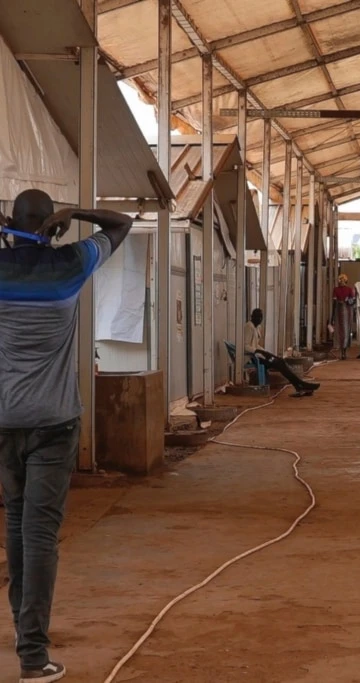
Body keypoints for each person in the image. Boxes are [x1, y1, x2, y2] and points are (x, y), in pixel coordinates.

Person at [0, 190, 133, 682]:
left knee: (15, 525)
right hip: (54, 422)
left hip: (4, 420)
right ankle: (32, 656)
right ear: (52, 226)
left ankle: (23, 633)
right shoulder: (70, 264)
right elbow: (121, 224)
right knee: (39, 534)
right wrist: (77, 214)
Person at [245, 309, 320, 397]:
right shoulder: (248, 326)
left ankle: (299, 385)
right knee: (279, 363)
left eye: (261, 317)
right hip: (254, 357)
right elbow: (245, 345)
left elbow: (255, 344)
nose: (259, 319)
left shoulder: (257, 327)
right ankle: (300, 384)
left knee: (281, 362)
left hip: (260, 355)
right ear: (252, 317)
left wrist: (264, 351)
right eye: (257, 317)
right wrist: (257, 351)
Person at [330, 273, 355, 360]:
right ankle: (344, 351)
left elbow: (334, 303)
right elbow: (352, 301)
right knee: (346, 330)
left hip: (338, 312)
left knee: (339, 331)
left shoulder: (335, 290)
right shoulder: (349, 289)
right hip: (348, 312)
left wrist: (332, 316)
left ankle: (342, 351)